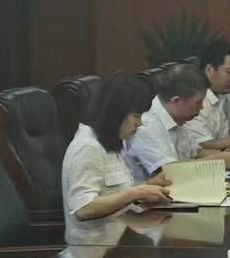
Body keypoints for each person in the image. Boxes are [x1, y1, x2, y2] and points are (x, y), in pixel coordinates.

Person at [61, 72, 171, 243]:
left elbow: (114, 195)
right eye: (136, 116)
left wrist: (148, 186)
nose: (139, 123)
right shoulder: (87, 147)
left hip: (119, 238)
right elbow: (83, 209)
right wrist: (136, 193)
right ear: (116, 113)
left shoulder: (110, 143)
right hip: (93, 248)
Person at [125, 63, 230, 179]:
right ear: (176, 101)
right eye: (198, 102)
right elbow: (168, 172)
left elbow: (195, 153)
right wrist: (217, 161)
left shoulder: (177, 118)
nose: (202, 107)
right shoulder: (146, 124)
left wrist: (229, 156)